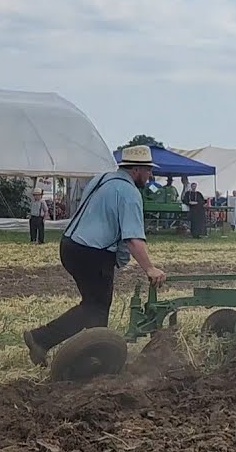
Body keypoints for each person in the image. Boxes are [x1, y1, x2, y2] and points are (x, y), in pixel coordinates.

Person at [23, 145, 166, 366]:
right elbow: (133, 239)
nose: (150, 175)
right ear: (137, 169)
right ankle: (51, 342)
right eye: (148, 170)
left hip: (70, 245)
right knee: (95, 307)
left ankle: (90, 356)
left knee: (94, 305)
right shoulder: (129, 193)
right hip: (93, 253)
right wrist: (150, 268)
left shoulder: (101, 180)